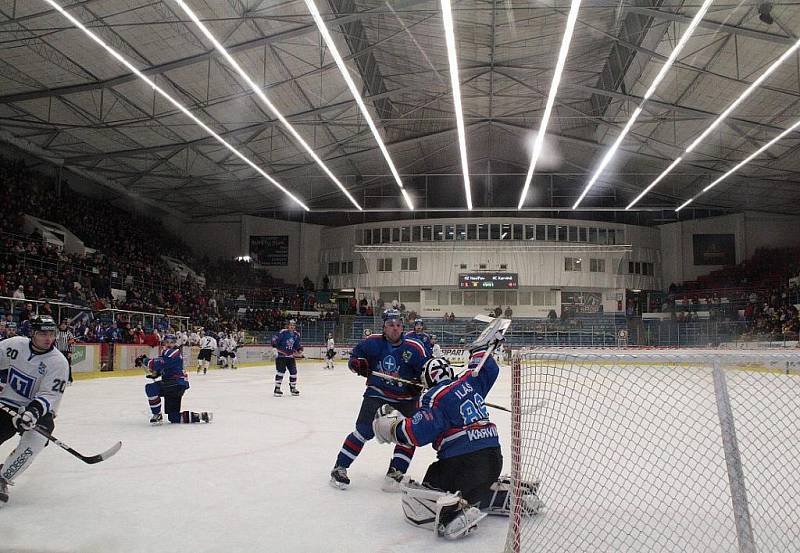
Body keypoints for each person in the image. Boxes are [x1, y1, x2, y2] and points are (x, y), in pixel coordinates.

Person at [372, 349, 542, 539]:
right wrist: (479, 351)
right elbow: (490, 369)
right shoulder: (470, 381)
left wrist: (393, 427)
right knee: (474, 485)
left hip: (464, 462)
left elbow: (418, 433)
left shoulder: (433, 397)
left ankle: (453, 514)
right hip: (494, 459)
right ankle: (503, 496)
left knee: (432, 480)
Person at [329, 309, 427, 492]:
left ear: (402, 327)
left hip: (406, 398)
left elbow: (427, 372)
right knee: (364, 430)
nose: (394, 329)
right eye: (390, 325)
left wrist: (419, 383)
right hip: (377, 392)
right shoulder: (372, 342)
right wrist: (357, 365)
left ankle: (395, 473)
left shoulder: (415, 347)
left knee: (407, 435)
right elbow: (353, 360)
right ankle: (339, 467)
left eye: (398, 325)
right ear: (383, 327)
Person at [0, 315, 69, 505]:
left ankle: (3, 477)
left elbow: (49, 395)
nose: (48, 338)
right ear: (32, 333)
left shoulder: (59, 362)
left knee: (38, 438)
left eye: (52, 334)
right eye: (43, 334)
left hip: (39, 411)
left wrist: (33, 412)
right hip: (7, 402)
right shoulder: (14, 345)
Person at [137, 334, 211, 425]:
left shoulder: (172, 352)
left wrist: (145, 360)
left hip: (175, 383)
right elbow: (163, 368)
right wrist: (155, 374)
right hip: (177, 386)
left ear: (175, 343)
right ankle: (200, 416)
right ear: (164, 343)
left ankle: (157, 414)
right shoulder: (169, 354)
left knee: (150, 388)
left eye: (171, 342)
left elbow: (158, 363)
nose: (169, 344)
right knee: (174, 417)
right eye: (167, 342)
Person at [271, 320, 303, 396]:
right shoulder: (283, 332)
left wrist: (299, 350)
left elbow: (297, 345)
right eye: (290, 325)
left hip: (290, 356)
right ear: (288, 326)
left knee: (294, 372)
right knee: (280, 372)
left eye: (293, 325)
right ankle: (277, 389)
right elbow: (274, 339)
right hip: (281, 355)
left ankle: (293, 388)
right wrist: (274, 348)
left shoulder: (296, 335)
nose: (292, 326)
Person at [54, 319, 75, 384]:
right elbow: (53, 342)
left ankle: (69, 379)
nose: (63, 326)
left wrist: (70, 352)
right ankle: (58, 379)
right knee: (57, 366)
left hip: (66, 351)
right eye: (61, 325)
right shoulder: (56, 333)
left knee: (67, 366)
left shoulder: (69, 333)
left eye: (64, 325)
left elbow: (72, 343)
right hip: (57, 352)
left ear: (66, 326)